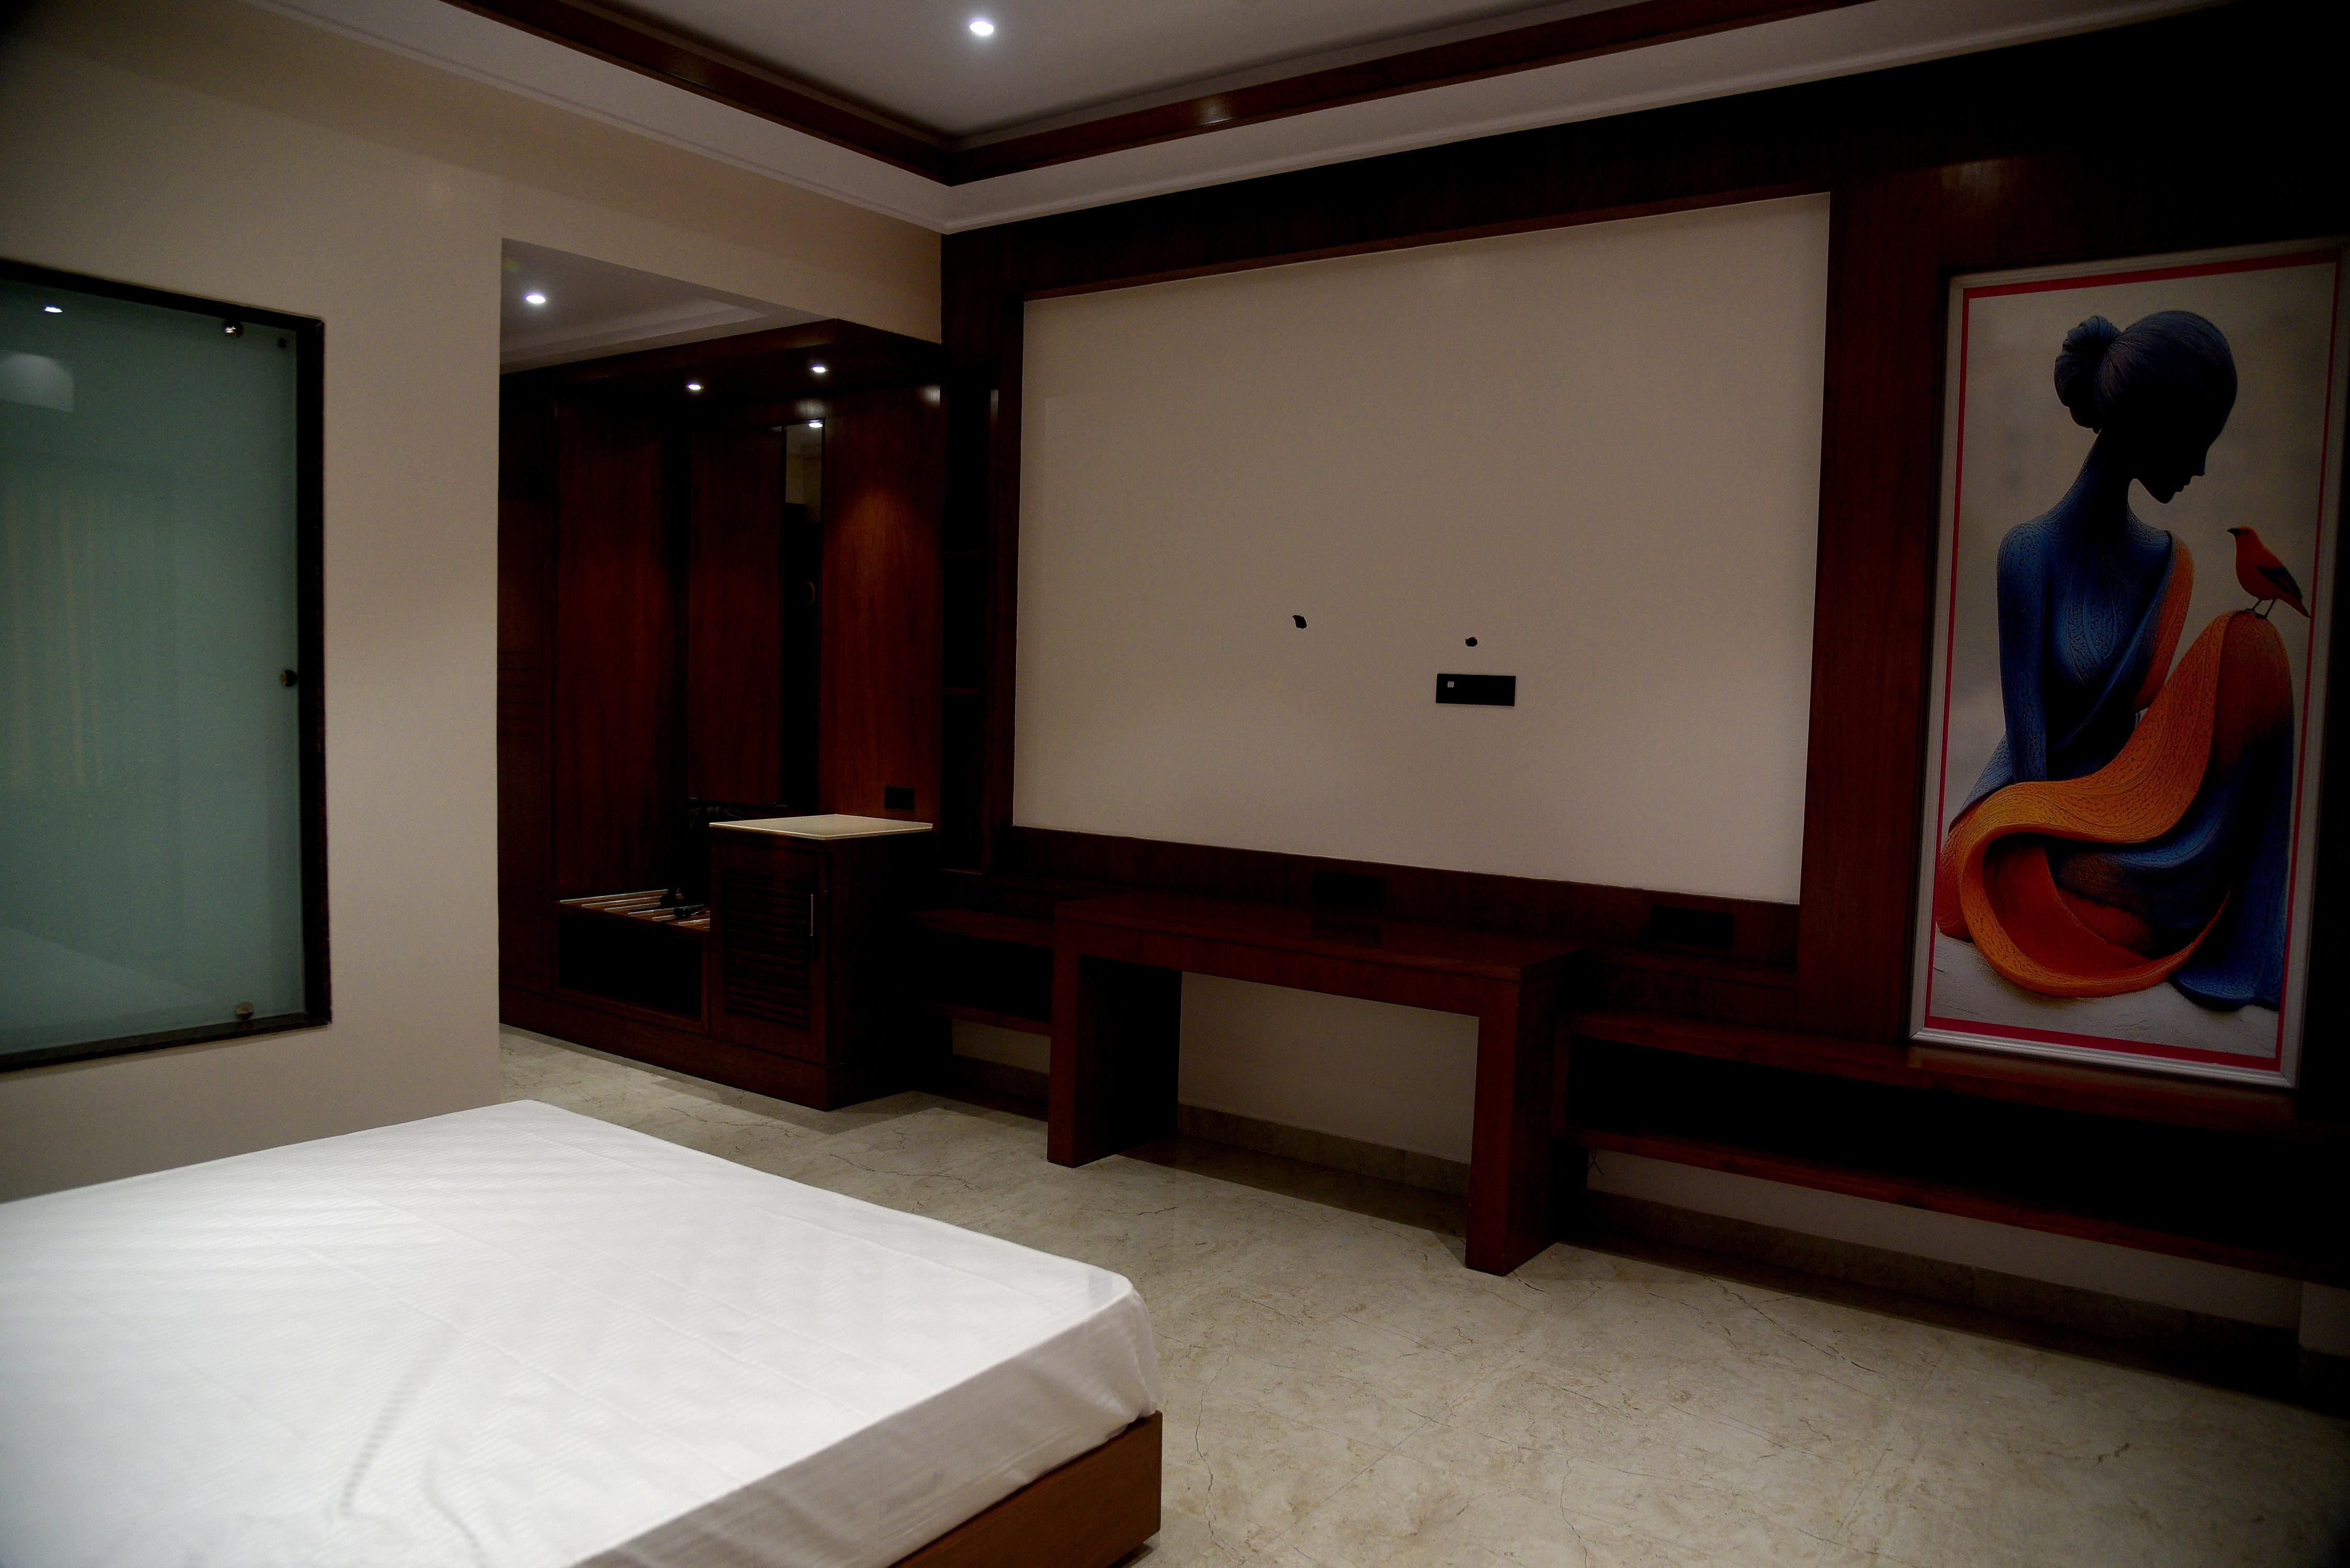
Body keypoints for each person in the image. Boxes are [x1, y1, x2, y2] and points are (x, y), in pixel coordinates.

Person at [1935, 310, 2293, 1011]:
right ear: (2152, 424)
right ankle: (2118, 907)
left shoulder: (2168, 560)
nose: (2199, 467)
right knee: (2069, 884)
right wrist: (2088, 837)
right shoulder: (2029, 554)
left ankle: (2197, 920)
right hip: (2033, 821)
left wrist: (2153, 812)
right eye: (2195, 440)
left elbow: (2150, 743)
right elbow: (2031, 768)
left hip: (2124, 815)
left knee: (2255, 650)